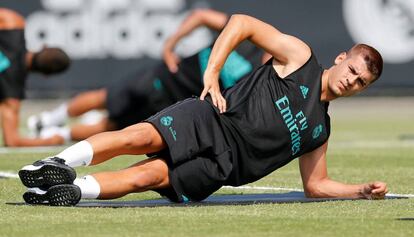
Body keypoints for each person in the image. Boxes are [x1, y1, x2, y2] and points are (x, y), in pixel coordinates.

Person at [18, 14, 387, 206]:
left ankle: (64, 193)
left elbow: (316, 185)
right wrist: (212, 74)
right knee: (139, 136)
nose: (351, 81)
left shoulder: (320, 130)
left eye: (361, 83)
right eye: (352, 71)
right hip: (211, 119)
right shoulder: (301, 58)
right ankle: (57, 165)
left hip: (223, 168)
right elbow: (242, 22)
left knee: (144, 179)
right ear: (341, 59)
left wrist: (360, 191)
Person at [26, 9, 269, 142]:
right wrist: (170, 45)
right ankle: (48, 119)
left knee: (112, 127)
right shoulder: (244, 39)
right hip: (160, 77)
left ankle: (57, 134)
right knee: (105, 97)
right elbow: (201, 16)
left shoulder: (259, 80)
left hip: (171, 103)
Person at [0, 8, 71, 147]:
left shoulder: (12, 24)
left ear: (43, 46)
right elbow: (12, 141)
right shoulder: (12, 96)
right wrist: (52, 140)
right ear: (46, 76)